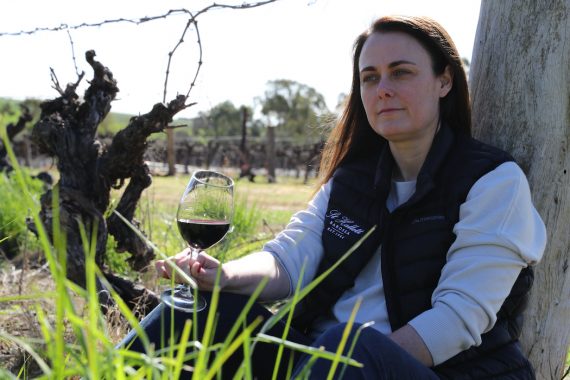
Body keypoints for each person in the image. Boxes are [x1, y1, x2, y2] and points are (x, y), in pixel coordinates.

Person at [123, 15, 547, 379]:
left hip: (424, 369)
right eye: (370, 77)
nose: (383, 88)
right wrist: (224, 276)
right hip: (325, 359)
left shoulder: (492, 181)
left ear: (444, 81)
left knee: (351, 347)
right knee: (191, 309)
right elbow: (289, 258)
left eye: (401, 72)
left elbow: (457, 320)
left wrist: (340, 363)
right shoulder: (352, 180)